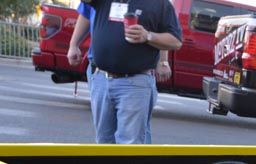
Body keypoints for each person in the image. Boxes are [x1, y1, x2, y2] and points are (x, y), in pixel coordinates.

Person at [78, 0, 181, 144]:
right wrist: (73, 44)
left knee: (129, 144)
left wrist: (148, 36)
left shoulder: (160, 4)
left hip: (135, 82)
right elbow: (84, 10)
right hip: (101, 79)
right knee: (103, 142)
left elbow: (175, 41)